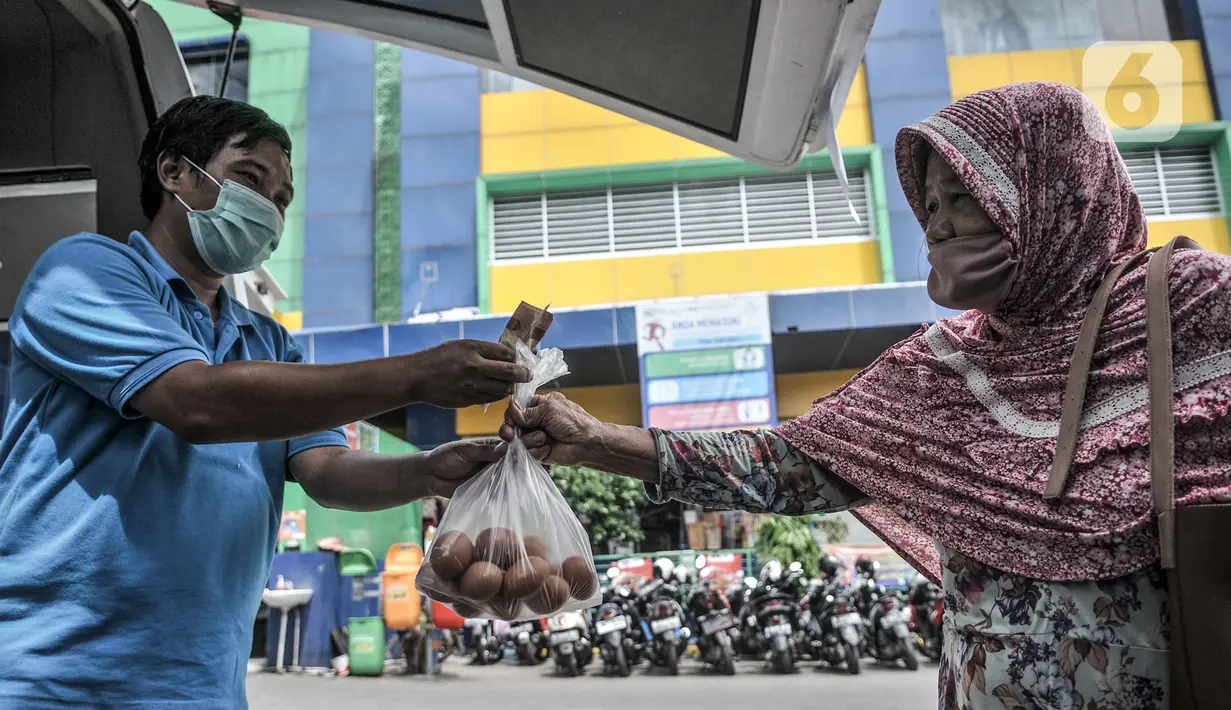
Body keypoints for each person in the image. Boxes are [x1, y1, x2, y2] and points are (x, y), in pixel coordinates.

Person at [505, 82, 1231, 709]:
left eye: (963, 197)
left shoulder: (1190, 308)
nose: (937, 224)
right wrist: (595, 440)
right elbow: (784, 464)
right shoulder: (936, 370)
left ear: (1054, 186)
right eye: (931, 204)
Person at [0, 96, 529, 708]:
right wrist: (414, 374)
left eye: (280, 201)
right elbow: (194, 402)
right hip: (55, 678)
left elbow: (327, 471)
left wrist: (428, 470)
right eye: (249, 181)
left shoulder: (267, 340)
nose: (269, 210)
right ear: (174, 173)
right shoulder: (85, 273)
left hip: (202, 685)